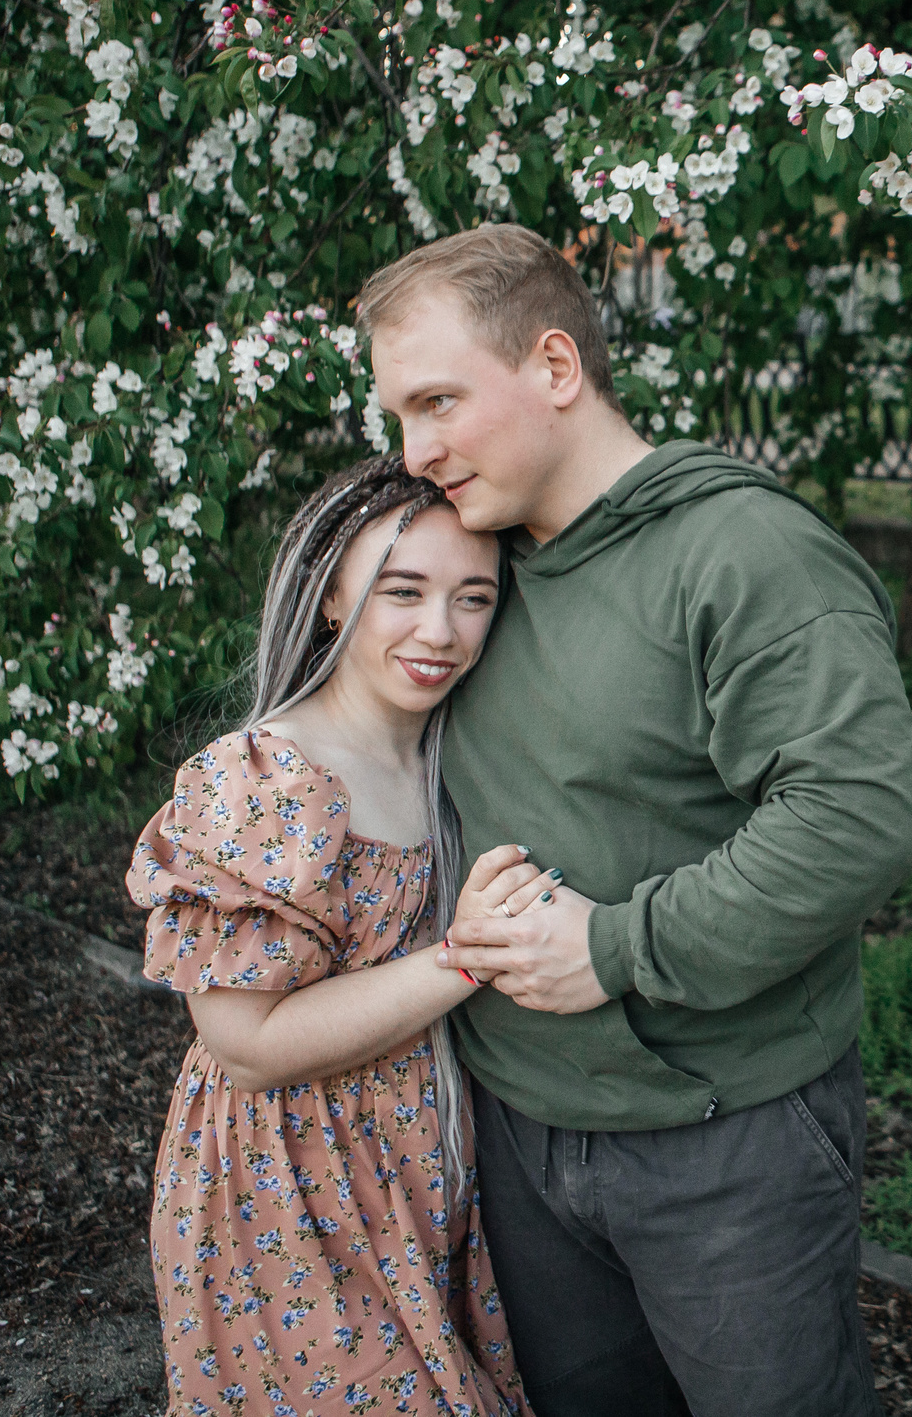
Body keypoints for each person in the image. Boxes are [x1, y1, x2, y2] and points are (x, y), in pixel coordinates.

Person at [359, 223, 912, 1417]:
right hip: (517, 1127)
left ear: (555, 368)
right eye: (399, 417)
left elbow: (855, 819)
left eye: (439, 402)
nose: (416, 453)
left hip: (723, 1138)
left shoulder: (744, 553)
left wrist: (615, 948)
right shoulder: (472, 569)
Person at [128, 455, 549, 1417]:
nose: (439, 631)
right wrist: (465, 955)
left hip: (421, 1170)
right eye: (402, 591)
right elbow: (247, 1044)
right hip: (281, 1189)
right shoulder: (270, 779)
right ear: (328, 597)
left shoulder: (458, 753)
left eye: (474, 597)